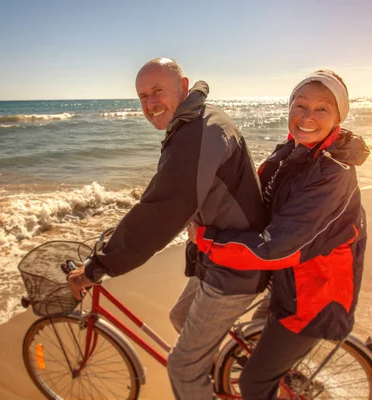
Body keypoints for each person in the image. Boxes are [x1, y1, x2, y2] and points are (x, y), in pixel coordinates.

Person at [68, 57, 271, 399]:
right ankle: (225, 372)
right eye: (143, 97)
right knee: (181, 316)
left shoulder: (197, 133)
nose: (150, 104)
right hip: (222, 252)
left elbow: (162, 212)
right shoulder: (194, 121)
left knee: (181, 367)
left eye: (157, 91)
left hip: (235, 265)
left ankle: (211, 379)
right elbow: (168, 190)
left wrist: (97, 267)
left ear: (183, 85)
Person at [187, 69, 370, 399]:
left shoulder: (332, 173)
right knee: (249, 347)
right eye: (300, 105)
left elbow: (276, 248)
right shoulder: (293, 152)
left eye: (321, 109)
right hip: (289, 284)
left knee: (253, 382)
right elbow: (260, 205)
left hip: (315, 297)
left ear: (338, 117)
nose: (307, 117)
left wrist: (207, 239)